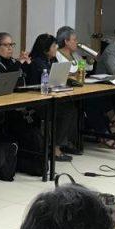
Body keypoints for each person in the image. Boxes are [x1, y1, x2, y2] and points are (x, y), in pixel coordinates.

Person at [25, 34, 76, 162]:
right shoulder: (37, 62)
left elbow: (57, 78)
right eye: (53, 46)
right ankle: (55, 148)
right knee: (68, 111)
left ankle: (63, 143)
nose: (56, 48)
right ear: (45, 49)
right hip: (37, 101)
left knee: (72, 107)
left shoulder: (52, 60)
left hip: (50, 97)